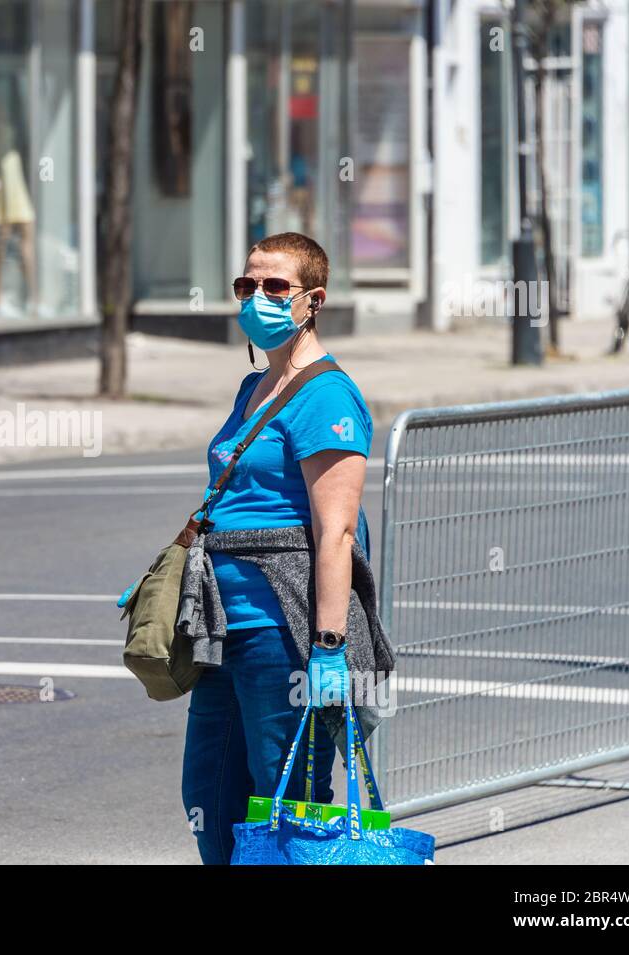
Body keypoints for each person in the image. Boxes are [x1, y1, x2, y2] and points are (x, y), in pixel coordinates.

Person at [179, 231, 391, 864]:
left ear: (313, 300)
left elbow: (338, 534)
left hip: (283, 629)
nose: (257, 298)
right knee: (211, 800)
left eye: (275, 287)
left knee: (287, 801)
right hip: (222, 628)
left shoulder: (328, 396)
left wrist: (328, 649)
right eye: (248, 285)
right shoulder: (254, 387)